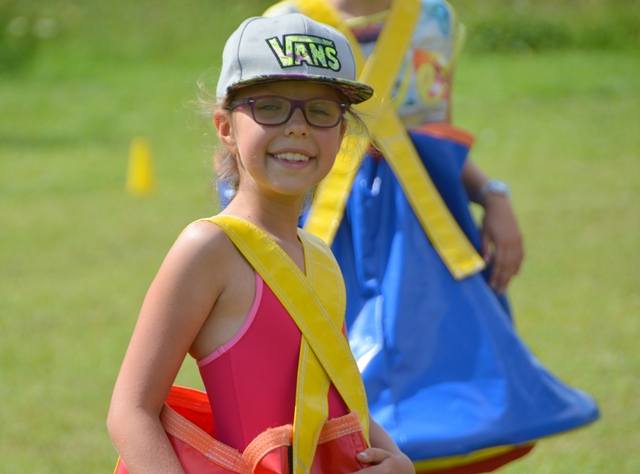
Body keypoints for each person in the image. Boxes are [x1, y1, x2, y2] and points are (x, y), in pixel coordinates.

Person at [254, 1, 601, 473]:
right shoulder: (286, 22)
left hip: (423, 235)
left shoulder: (433, 18)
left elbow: (430, 132)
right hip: (327, 230)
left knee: (454, 374)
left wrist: (492, 195)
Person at [107, 13, 416, 474]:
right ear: (226, 127)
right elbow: (131, 412)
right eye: (270, 107)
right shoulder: (208, 249)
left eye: (321, 110)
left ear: (342, 133)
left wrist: (397, 460)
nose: (298, 127)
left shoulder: (321, 258)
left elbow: (337, 398)